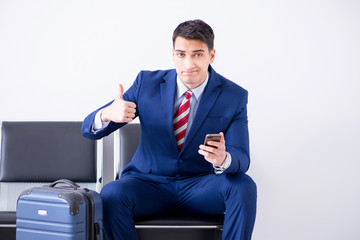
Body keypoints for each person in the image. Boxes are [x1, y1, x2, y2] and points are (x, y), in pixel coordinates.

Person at [82, 19, 257, 240]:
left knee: (243, 187)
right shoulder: (147, 83)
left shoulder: (234, 96)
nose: (188, 64)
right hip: (149, 184)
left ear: (211, 56)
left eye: (198, 54)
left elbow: (242, 158)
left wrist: (224, 159)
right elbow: (87, 129)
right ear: (173, 54)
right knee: (111, 193)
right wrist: (106, 115)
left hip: (201, 186)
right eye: (181, 54)